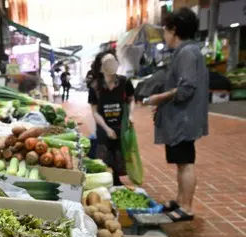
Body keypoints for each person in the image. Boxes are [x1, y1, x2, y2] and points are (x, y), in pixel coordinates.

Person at [146, 7, 208, 222]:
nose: (165, 35)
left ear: (174, 29)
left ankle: (186, 208)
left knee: (186, 162)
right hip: (181, 117)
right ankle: (180, 200)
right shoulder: (186, 51)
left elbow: (187, 87)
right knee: (182, 163)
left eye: (166, 30)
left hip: (184, 119)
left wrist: (159, 98)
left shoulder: (187, 53)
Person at [88, 51, 135, 186]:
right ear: (101, 67)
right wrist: (107, 129)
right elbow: (95, 112)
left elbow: (131, 100)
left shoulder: (125, 82)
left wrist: (131, 115)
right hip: (103, 127)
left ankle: (116, 180)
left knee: (119, 153)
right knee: (105, 155)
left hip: (121, 125)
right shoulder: (95, 87)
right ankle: (109, 180)